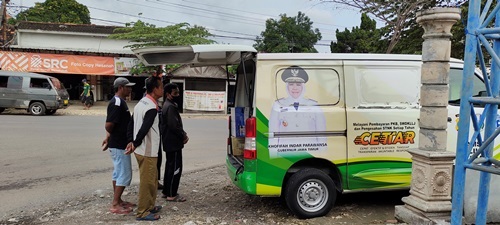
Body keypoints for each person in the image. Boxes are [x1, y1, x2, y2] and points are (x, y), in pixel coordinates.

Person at [125, 76, 163, 221]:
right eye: (161, 86)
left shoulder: (141, 103)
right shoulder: (151, 107)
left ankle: (150, 206)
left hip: (141, 149)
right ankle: (142, 212)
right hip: (147, 150)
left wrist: (131, 141)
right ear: (155, 89)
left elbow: (131, 123)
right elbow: (144, 128)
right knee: (147, 181)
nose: (163, 89)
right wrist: (135, 141)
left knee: (152, 179)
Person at [268, 66, 327, 156]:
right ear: (287, 86)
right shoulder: (278, 105)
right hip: (285, 154)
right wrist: (273, 155)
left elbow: (322, 135)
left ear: (303, 87)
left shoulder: (313, 105)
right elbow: (273, 134)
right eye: (291, 84)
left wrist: (323, 155)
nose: (294, 88)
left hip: (310, 153)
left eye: (298, 85)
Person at [101, 77, 136, 214]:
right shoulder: (116, 102)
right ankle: (115, 204)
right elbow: (109, 124)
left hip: (117, 143)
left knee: (118, 173)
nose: (130, 89)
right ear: (121, 87)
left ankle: (119, 200)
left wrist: (109, 137)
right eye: (128, 87)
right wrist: (111, 135)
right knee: (124, 173)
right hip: (120, 145)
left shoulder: (120, 102)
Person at [161, 83, 188, 202]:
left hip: (169, 141)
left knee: (169, 166)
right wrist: (183, 135)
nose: (178, 95)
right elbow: (173, 125)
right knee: (176, 168)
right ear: (168, 94)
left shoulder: (166, 105)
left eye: (178, 92)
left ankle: (166, 191)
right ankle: (172, 194)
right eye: (175, 93)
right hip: (173, 142)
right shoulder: (170, 107)